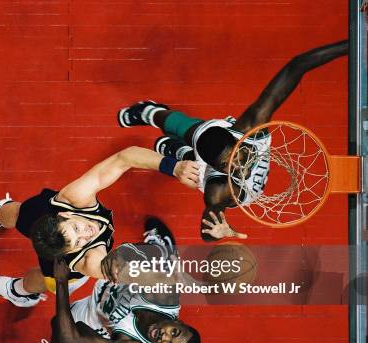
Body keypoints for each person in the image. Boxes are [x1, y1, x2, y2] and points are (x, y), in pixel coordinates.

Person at [117, 40, 348, 241]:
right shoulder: (218, 187)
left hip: (216, 133)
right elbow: (210, 221)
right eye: (226, 165)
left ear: (238, 142)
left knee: (181, 140)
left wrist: (352, 46)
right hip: (208, 151)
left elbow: (296, 66)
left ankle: (159, 130)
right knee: (187, 147)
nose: (236, 165)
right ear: (218, 169)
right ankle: (162, 131)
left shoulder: (252, 127)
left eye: (235, 156)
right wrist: (217, 232)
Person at [0, 146, 201, 307]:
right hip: (59, 259)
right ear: (69, 252)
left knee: (19, 211)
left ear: (64, 214)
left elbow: (124, 157)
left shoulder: (73, 198)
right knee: (49, 280)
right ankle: (19, 288)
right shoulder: (88, 261)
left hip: (43, 215)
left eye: (76, 229)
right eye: (79, 242)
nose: (86, 233)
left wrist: (174, 166)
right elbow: (131, 274)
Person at [22, 218, 200, 343]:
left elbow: (72, 341)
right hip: (93, 306)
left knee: (60, 330)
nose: (164, 337)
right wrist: (122, 254)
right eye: (174, 332)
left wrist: (61, 281)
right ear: (177, 321)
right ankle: (160, 249)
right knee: (154, 265)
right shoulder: (165, 295)